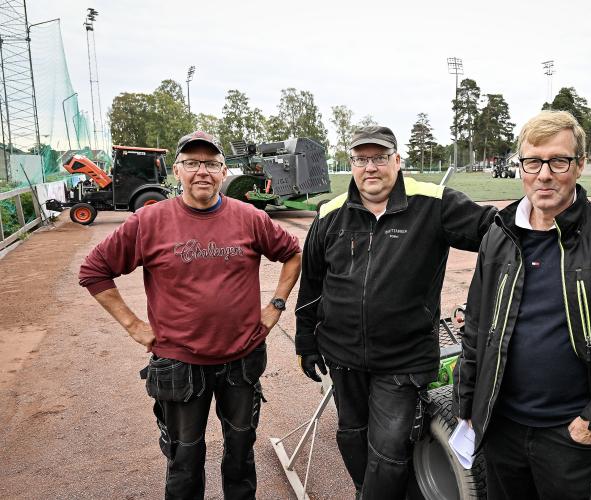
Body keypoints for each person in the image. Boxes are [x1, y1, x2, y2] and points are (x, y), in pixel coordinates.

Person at [78, 130, 302, 499]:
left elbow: (292, 253)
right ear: (177, 171)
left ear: (223, 170)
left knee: (241, 454)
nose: (203, 172)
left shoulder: (250, 217)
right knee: (184, 459)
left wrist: (275, 305)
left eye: (211, 164)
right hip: (179, 364)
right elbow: (94, 270)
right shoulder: (148, 222)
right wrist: (133, 324)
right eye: (192, 163)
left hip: (241, 359)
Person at [453, 111, 591, 500]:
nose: (544, 174)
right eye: (533, 161)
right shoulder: (498, 236)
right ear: (521, 167)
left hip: (573, 437)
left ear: (579, 166)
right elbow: (478, 326)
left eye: (558, 161)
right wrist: (468, 402)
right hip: (503, 429)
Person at [295, 126, 495, 499]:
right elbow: (312, 285)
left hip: (403, 359)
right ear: (351, 163)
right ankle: (364, 490)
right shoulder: (330, 213)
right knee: (352, 436)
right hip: (342, 355)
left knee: (388, 449)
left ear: (397, 160)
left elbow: (495, 231)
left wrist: (544, 208)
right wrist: (306, 341)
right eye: (361, 159)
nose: (370, 167)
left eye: (379, 157)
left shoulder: (434, 203)